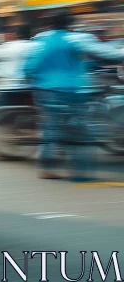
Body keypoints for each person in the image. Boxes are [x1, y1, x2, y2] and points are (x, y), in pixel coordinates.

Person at [24, 11, 124, 181]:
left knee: (51, 129)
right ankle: (80, 172)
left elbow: (29, 67)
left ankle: (47, 168)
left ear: (49, 24)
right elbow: (110, 54)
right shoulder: (76, 38)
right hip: (72, 91)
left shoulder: (40, 40)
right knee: (79, 130)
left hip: (45, 90)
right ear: (70, 24)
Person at [0, 24, 36, 107]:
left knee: (8, 116)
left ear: (15, 35)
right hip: (27, 88)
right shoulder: (35, 47)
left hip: (4, 88)